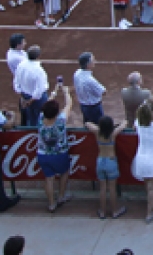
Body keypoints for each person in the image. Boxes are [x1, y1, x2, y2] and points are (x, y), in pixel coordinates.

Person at [37, 83, 73, 212]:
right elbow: (68, 105)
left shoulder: (40, 118)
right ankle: (61, 196)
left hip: (43, 154)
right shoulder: (61, 120)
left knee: (49, 179)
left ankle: (51, 204)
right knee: (64, 173)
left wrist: (54, 92)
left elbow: (46, 106)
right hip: (60, 154)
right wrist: (66, 92)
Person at [84, 115, 128, 219]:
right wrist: (121, 123)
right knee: (112, 189)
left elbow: (87, 123)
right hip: (111, 161)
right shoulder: (113, 134)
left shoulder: (97, 132)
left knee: (102, 188)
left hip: (100, 161)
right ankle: (114, 211)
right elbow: (124, 124)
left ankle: (102, 212)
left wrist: (98, 127)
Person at [14, 45, 49, 127]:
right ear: (38, 56)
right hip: (37, 100)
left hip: (24, 96)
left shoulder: (21, 65)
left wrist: (22, 97)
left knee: (26, 117)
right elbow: (39, 91)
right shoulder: (39, 71)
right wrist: (29, 102)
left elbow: (16, 82)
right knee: (39, 119)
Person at [74, 52, 106, 124]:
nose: (95, 62)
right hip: (94, 108)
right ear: (88, 65)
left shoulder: (77, 73)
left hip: (83, 105)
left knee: (88, 124)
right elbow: (103, 92)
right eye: (93, 60)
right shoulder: (90, 80)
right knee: (98, 126)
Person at [6, 33, 28, 124]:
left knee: (25, 100)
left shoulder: (14, 52)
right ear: (18, 45)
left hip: (23, 80)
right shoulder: (16, 58)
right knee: (26, 102)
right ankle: (25, 123)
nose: (25, 43)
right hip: (23, 82)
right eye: (23, 42)